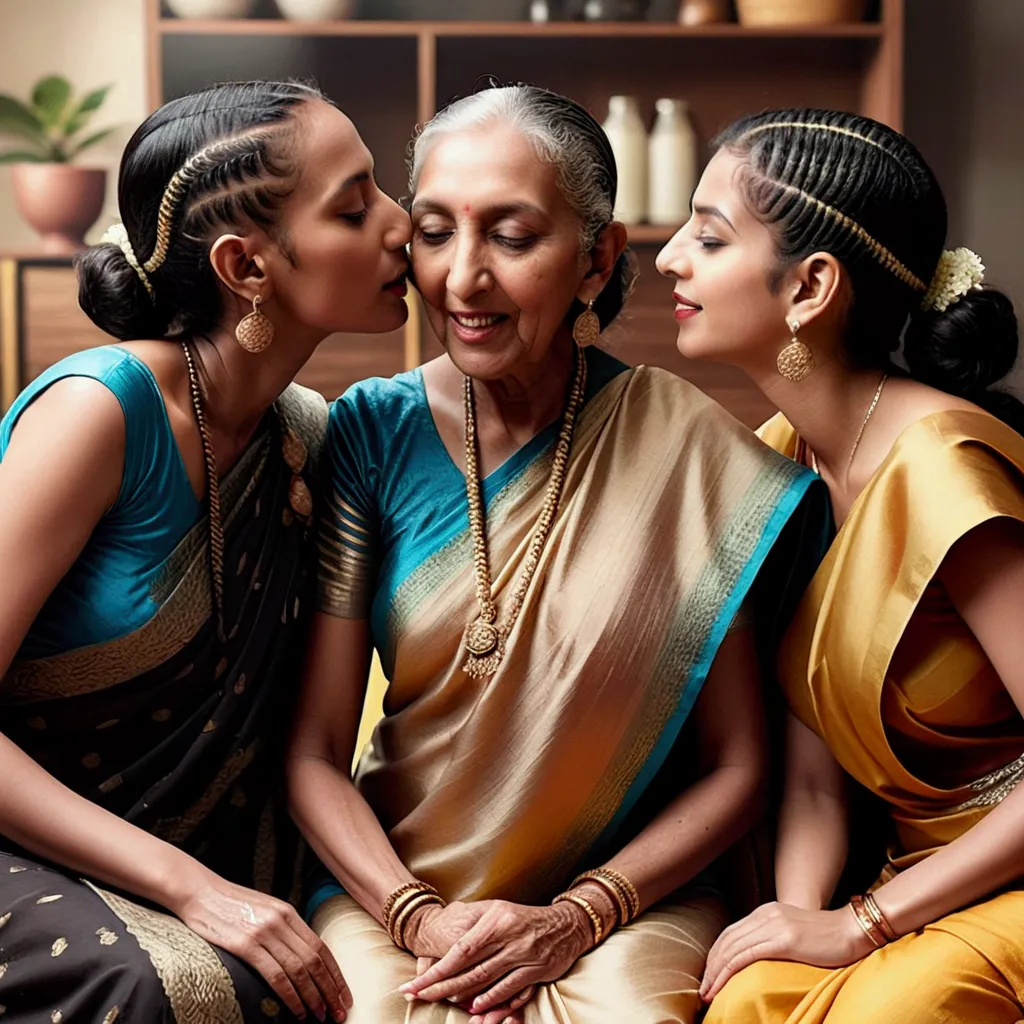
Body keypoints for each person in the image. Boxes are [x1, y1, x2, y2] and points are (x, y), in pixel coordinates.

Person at [287, 85, 828, 1024]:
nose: (463, 279)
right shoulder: (370, 435)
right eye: (434, 231)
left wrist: (577, 918)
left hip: (625, 902)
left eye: (512, 235)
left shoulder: (688, 452)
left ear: (595, 258)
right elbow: (314, 753)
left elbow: (738, 766)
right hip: (397, 888)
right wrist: (415, 918)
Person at [0, 79, 411, 1023]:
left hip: (200, 847)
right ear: (247, 266)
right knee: (171, 988)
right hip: (28, 842)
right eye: (355, 207)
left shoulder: (302, 437)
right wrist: (189, 887)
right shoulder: (101, 415)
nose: (401, 223)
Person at [653, 108, 1024, 1024]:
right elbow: (816, 779)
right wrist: (796, 922)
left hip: (1000, 878)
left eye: (709, 235)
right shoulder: (782, 462)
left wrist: (860, 927)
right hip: (910, 883)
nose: (668, 257)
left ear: (812, 286)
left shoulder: (941, 468)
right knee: (747, 1000)